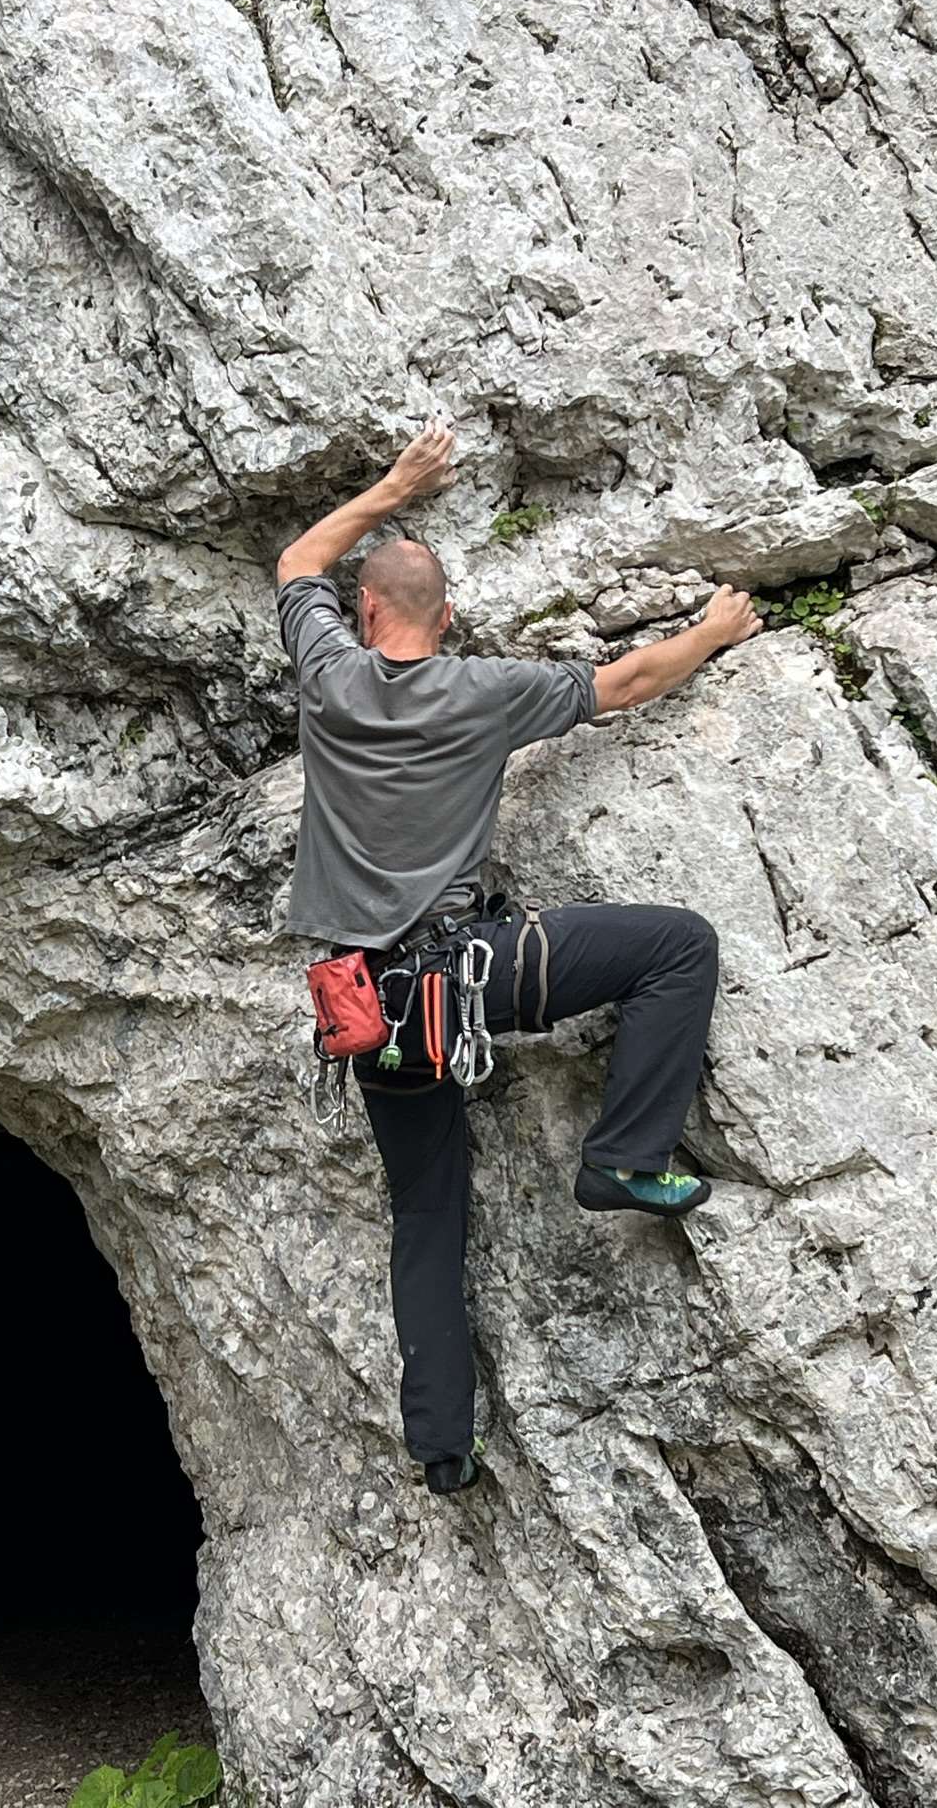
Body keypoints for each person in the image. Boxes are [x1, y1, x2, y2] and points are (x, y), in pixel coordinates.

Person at [274, 415, 763, 1495]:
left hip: (365, 1003)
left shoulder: (328, 676)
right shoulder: (485, 688)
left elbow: (299, 557)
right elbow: (629, 682)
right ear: (445, 617)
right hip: (474, 976)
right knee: (679, 945)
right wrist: (714, 629)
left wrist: (395, 485)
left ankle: (444, 1447)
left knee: (425, 1212)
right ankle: (623, 1156)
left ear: (362, 613)